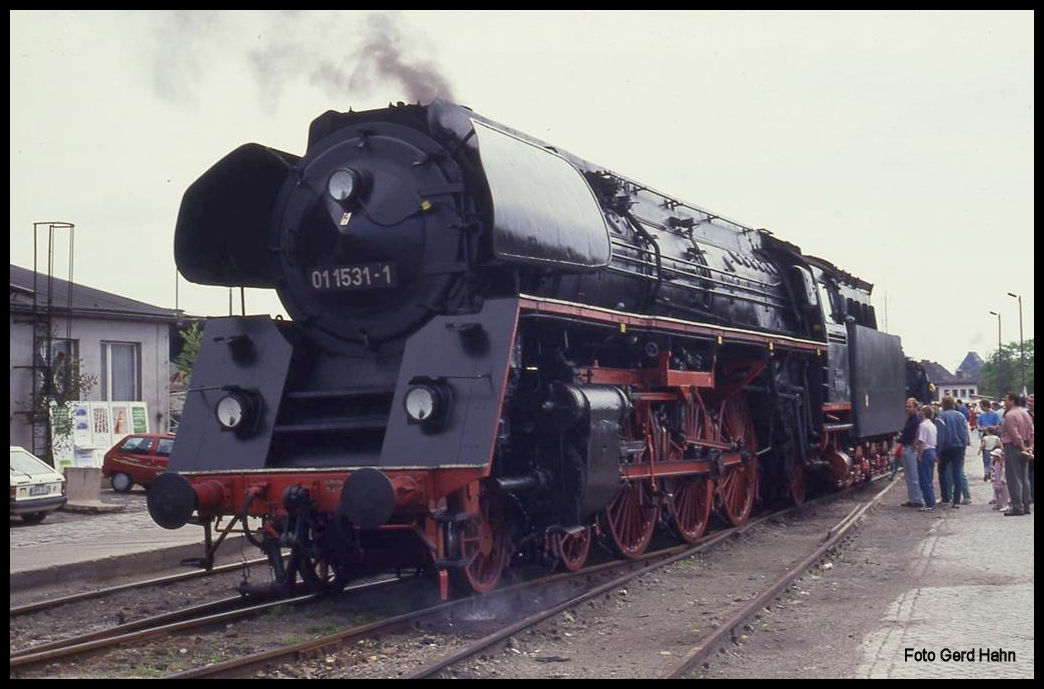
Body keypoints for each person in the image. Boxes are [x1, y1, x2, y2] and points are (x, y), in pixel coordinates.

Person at [1000, 392, 1034, 516]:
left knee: (1014, 477)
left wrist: (1022, 446)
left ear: (1012, 400)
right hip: (1025, 445)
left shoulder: (1010, 415)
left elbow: (1014, 434)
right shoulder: (1025, 413)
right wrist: (1030, 447)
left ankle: (1017, 506)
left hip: (1013, 447)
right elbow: (1031, 432)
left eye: (1006, 400)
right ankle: (1026, 505)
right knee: (1024, 478)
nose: (1004, 402)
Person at [937, 396, 971, 509]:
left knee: (942, 473)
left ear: (943, 404)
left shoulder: (941, 416)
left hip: (946, 448)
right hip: (959, 447)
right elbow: (965, 433)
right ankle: (956, 500)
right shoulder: (960, 416)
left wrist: (938, 451)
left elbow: (940, 435)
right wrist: (964, 447)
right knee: (957, 473)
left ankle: (946, 498)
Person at [897, 398, 923, 508]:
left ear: (916, 408)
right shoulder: (909, 419)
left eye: (909, 407)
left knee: (914, 475)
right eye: (906, 406)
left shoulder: (917, 420)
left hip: (911, 449)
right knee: (908, 476)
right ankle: (912, 498)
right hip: (906, 447)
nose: (907, 408)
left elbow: (917, 434)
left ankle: (917, 499)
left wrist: (914, 445)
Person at [914, 404, 938, 512]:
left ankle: (929, 504)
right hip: (932, 451)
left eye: (920, 411)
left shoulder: (923, 425)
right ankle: (931, 502)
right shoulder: (932, 425)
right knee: (929, 478)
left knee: (924, 479)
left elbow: (923, 442)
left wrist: (919, 455)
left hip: (926, 452)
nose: (918, 412)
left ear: (923, 413)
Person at [977, 399, 1002, 480]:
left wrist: (990, 428)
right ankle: (987, 472)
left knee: (995, 454)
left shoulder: (995, 414)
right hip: (985, 434)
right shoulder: (982, 415)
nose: (981, 408)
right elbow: (979, 425)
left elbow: (998, 425)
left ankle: (994, 471)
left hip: (994, 433)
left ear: (985, 406)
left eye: (981, 406)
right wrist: (981, 428)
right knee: (986, 455)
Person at [987, 444, 1008, 511]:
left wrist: (1003, 478)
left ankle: (1005, 504)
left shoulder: (1002, 463)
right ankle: (998, 504)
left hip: (1002, 480)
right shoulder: (994, 463)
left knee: (1004, 493)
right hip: (996, 480)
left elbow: (1004, 471)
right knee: (996, 492)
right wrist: (992, 477)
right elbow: (992, 470)